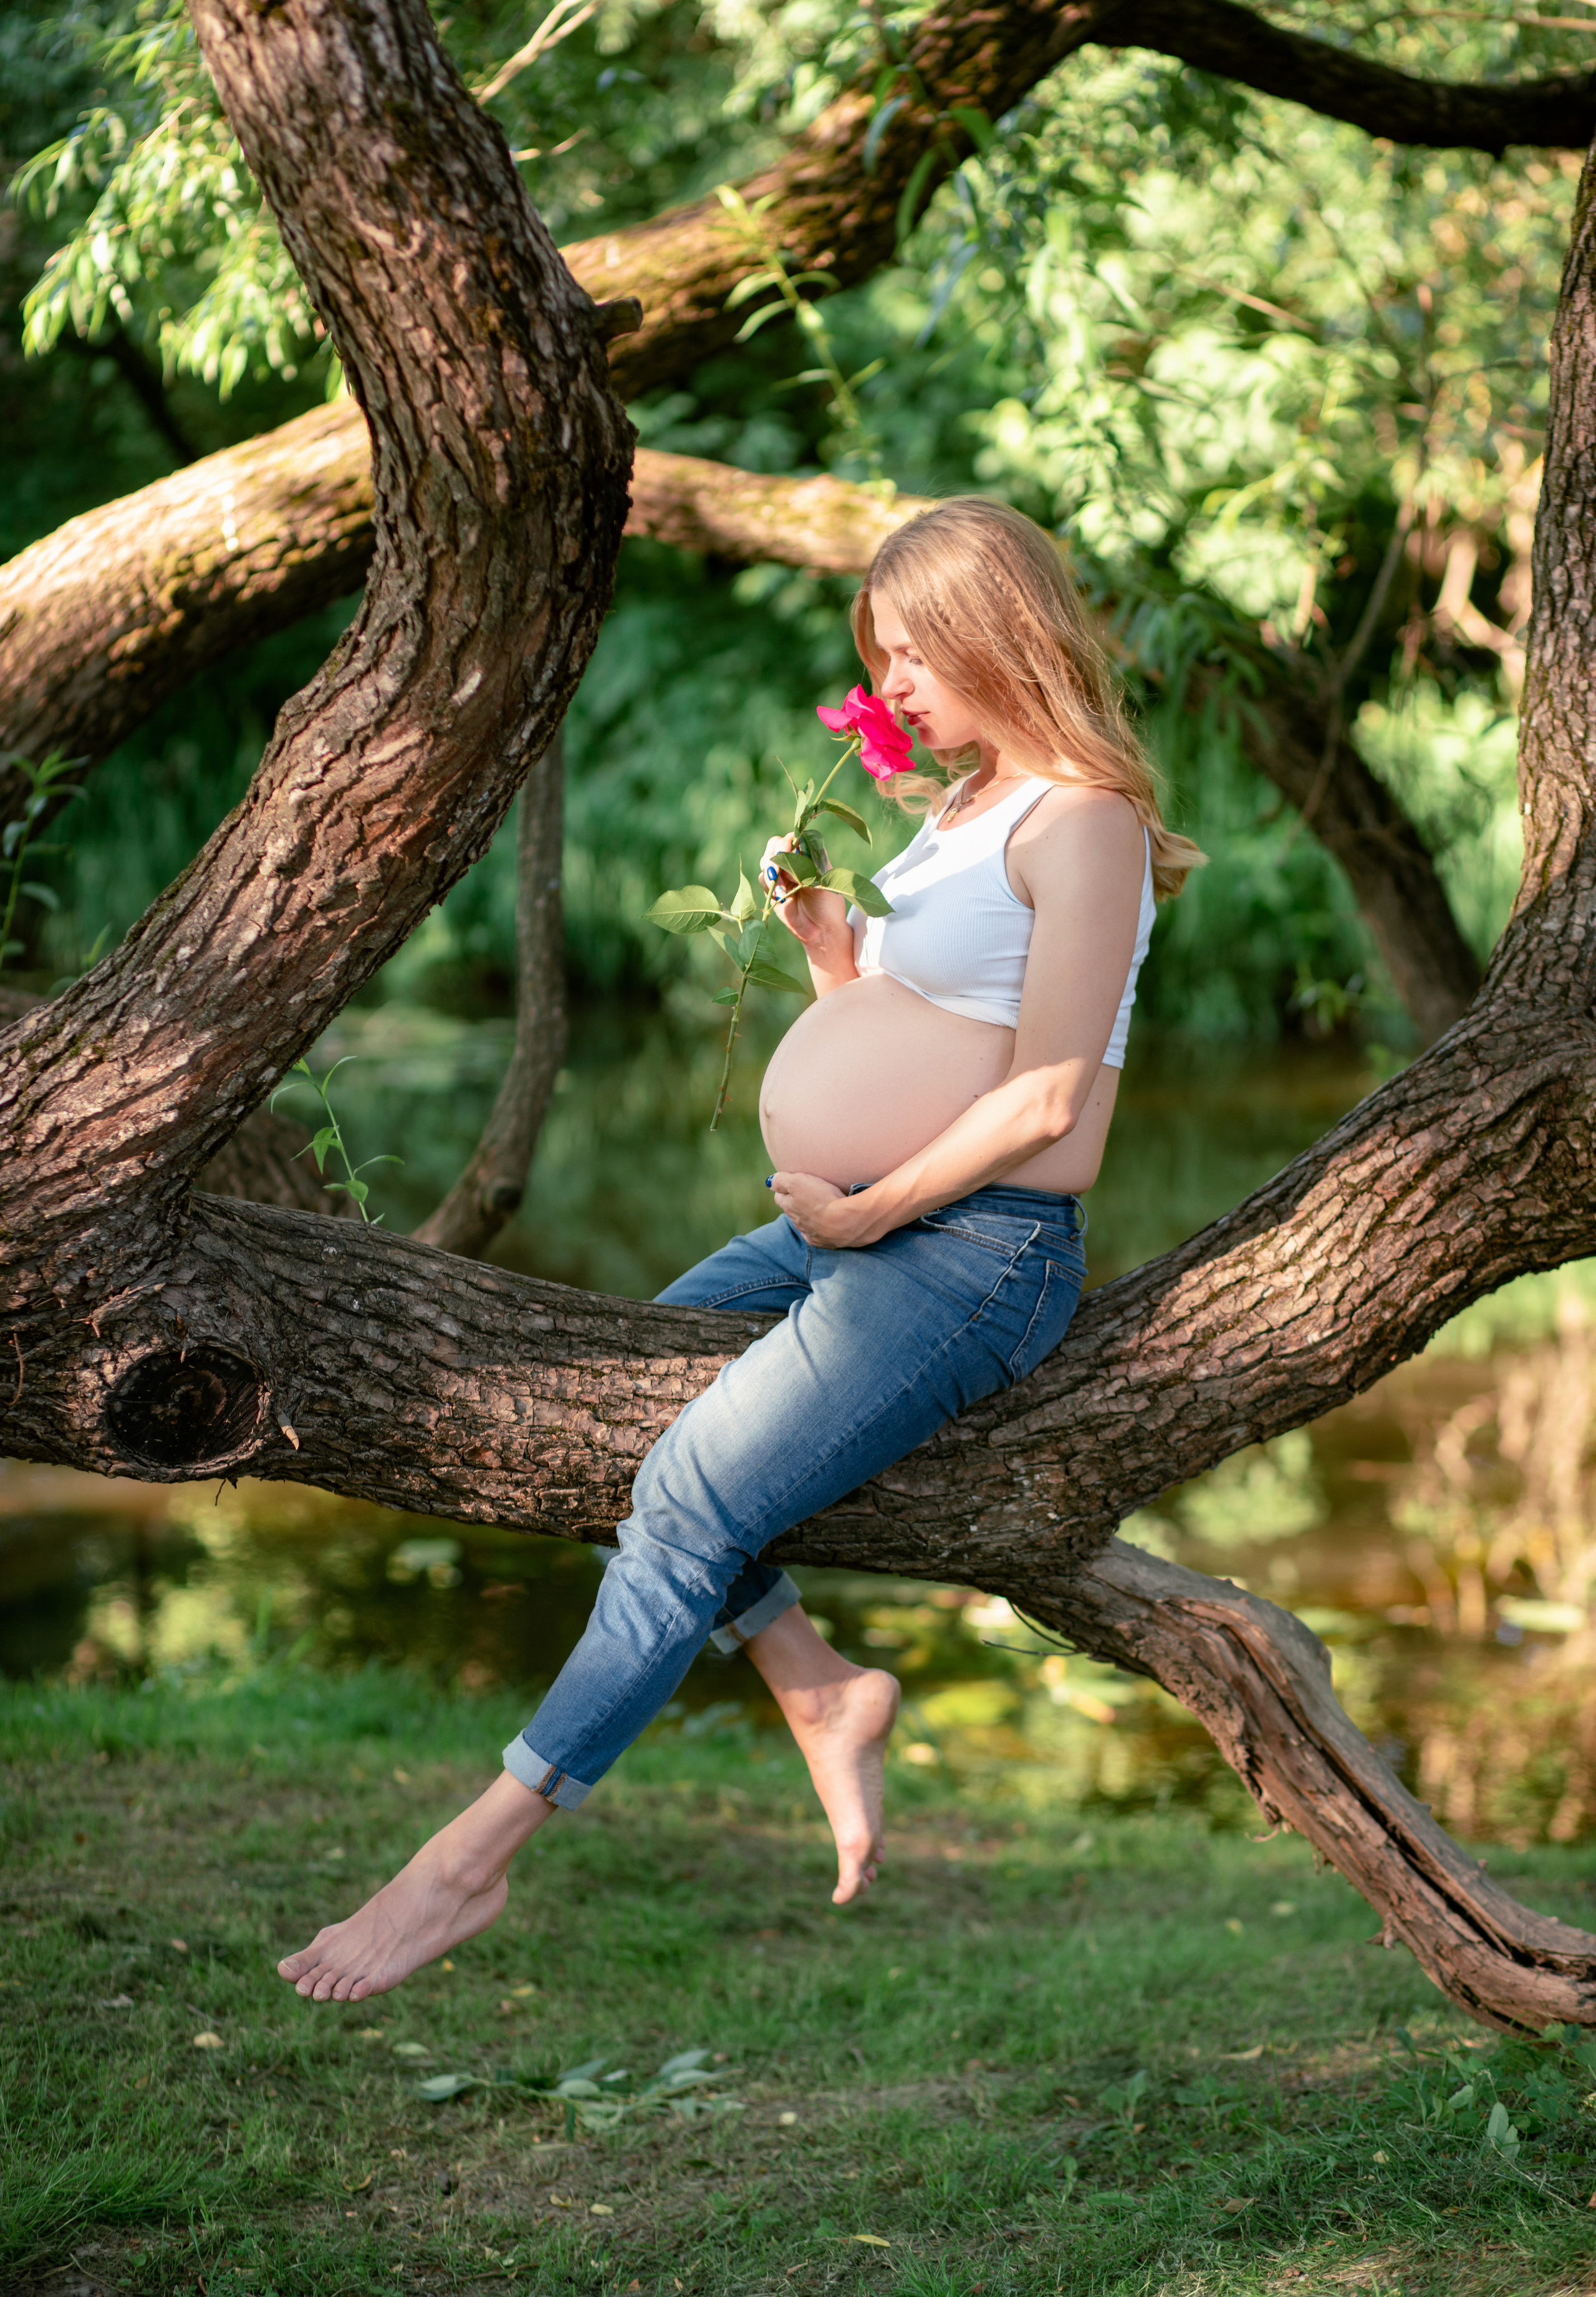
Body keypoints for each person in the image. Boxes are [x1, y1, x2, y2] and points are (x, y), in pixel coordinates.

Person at [277, 497, 1204, 2003]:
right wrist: (836, 965)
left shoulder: (1079, 821)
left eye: (914, 653)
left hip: (973, 1254)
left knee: (686, 1485)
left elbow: (1051, 1109)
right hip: (855, 1226)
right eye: (880, 657)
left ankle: (471, 1859)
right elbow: (925, 1035)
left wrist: (873, 1206)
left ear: (997, 632)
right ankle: (813, 1683)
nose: (891, 688)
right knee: (615, 1400)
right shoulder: (946, 816)